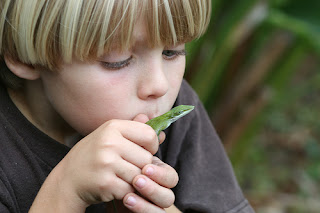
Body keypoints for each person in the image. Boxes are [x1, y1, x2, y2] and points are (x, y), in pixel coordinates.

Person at [0, 0, 255, 212]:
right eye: (118, 61)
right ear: (26, 59)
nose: (159, 85)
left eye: (172, 52)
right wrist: (64, 190)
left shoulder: (174, 110)